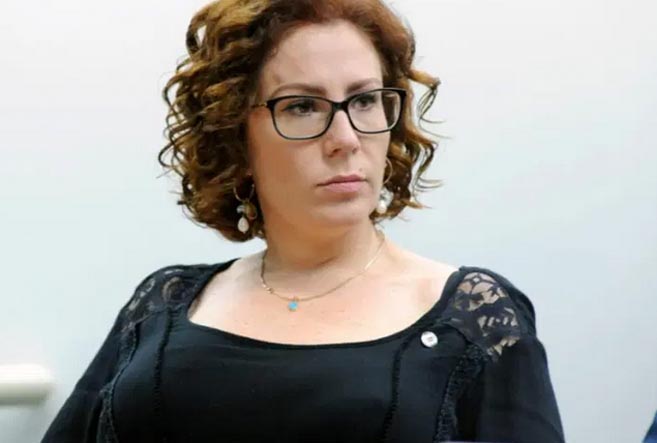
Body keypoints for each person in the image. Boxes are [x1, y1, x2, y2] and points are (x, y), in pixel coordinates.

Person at [42, 0, 565, 442]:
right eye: (302, 107)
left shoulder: (473, 316)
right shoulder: (164, 303)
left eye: (365, 100)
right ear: (234, 132)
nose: (346, 139)